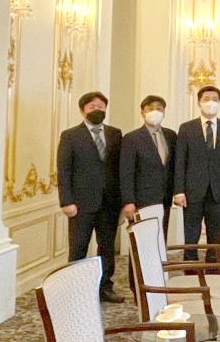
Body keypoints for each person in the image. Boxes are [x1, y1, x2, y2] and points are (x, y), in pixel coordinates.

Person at [57, 91, 124, 303]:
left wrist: (123, 203)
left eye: (100, 107)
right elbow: (64, 170)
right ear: (82, 110)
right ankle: (75, 291)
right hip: (80, 204)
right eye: (92, 107)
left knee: (107, 247)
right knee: (78, 248)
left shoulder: (115, 134)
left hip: (109, 203)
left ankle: (105, 287)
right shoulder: (70, 135)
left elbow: (120, 169)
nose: (97, 110)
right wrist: (66, 201)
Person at [173, 85, 220, 263]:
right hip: (192, 191)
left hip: (219, 190)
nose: (211, 102)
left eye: (215, 99)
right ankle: (190, 266)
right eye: (206, 99)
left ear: (219, 102)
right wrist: (178, 191)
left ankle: (213, 266)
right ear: (199, 102)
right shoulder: (186, 128)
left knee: (214, 234)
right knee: (191, 234)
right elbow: (180, 161)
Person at [120, 95, 176, 238]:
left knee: (160, 239)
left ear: (164, 112)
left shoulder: (171, 136)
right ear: (142, 113)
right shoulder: (132, 138)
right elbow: (126, 172)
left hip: (165, 198)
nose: (155, 112)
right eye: (150, 109)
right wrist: (128, 202)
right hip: (142, 200)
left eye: (159, 108)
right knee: (143, 241)